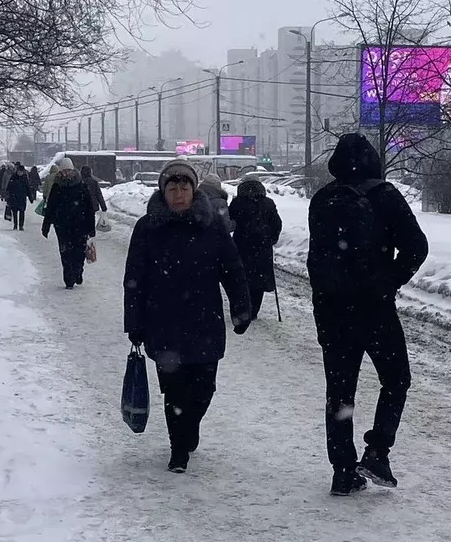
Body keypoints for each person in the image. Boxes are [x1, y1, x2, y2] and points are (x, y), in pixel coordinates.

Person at [307, 133, 429, 497]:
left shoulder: (322, 199)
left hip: (332, 312)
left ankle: (343, 472)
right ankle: (377, 451)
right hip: (374, 310)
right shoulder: (385, 195)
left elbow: (318, 259)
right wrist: (387, 281)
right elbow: (416, 246)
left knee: (340, 393)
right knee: (396, 380)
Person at [123, 159, 252, 474]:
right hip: (163, 323)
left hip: (204, 321)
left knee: (204, 388)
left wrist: (241, 307)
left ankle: (189, 426)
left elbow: (232, 270)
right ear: (163, 191)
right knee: (175, 389)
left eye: (184, 188)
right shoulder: (147, 227)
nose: (178, 194)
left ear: (194, 191)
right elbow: (134, 278)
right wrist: (134, 323)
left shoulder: (212, 226)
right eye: (172, 188)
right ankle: (178, 449)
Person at [228, 179, 283, 320]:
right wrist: (271, 238)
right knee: (260, 279)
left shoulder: (237, 203)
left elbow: (230, 221)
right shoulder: (268, 203)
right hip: (263, 247)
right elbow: (277, 223)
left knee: (241, 278)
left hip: (242, 246)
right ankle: (254, 310)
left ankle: (243, 308)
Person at [42, 157, 95, 288]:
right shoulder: (57, 186)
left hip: (80, 225)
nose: (66, 174)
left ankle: (78, 271)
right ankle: (68, 278)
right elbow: (51, 207)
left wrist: (91, 227)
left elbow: (89, 208)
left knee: (79, 251)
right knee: (65, 252)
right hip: (62, 226)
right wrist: (46, 225)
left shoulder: (82, 186)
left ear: (73, 171)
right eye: (63, 171)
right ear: (59, 172)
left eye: (68, 171)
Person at [5, 163, 35, 231]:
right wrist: (7, 196)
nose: (20, 173)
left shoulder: (24, 178)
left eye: (21, 171)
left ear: (23, 171)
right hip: (14, 197)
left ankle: (21, 225)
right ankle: (15, 225)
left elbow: (28, 189)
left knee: (22, 212)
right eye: (19, 171)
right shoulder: (13, 177)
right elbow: (9, 187)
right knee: (14, 212)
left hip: (22, 198)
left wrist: (31, 198)